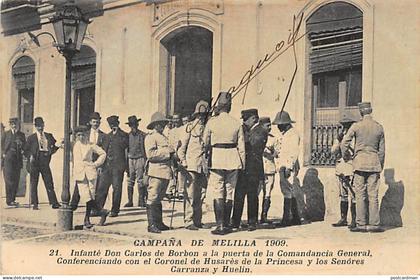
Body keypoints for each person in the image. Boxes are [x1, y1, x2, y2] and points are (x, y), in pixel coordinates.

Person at [203, 92, 245, 235]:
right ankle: (226, 224)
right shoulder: (236, 123)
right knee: (230, 191)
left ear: (218, 107)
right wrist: (242, 163)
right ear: (230, 107)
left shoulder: (212, 122)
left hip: (217, 158)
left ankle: (220, 225)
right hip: (233, 158)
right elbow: (241, 146)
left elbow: (205, 143)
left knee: (218, 190)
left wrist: (205, 159)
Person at [342, 102, 385, 233]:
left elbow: (344, 143)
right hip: (374, 164)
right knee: (373, 195)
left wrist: (346, 157)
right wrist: (380, 165)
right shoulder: (379, 127)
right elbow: (382, 151)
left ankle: (361, 224)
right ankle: (374, 225)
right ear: (370, 111)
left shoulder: (356, 126)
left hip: (359, 163)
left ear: (361, 112)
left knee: (360, 194)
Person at [231, 109, 268, 231]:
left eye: (246, 120)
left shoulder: (260, 130)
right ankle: (235, 221)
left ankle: (252, 222)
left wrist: (242, 137)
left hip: (254, 168)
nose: (244, 123)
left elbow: (253, 145)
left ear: (253, 119)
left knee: (252, 195)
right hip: (243, 167)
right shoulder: (245, 130)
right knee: (239, 195)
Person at [178, 100, 210, 230]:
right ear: (195, 115)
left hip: (203, 166)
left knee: (201, 194)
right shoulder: (189, 128)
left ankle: (198, 220)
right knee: (190, 193)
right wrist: (183, 162)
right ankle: (188, 220)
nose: (201, 118)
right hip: (191, 165)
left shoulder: (207, 128)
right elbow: (181, 148)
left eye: (204, 116)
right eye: (199, 115)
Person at [144, 112, 177, 233]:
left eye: (164, 123)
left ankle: (159, 223)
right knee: (152, 197)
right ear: (154, 125)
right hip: (156, 171)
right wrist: (168, 154)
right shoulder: (151, 137)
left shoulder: (163, 137)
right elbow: (151, 155)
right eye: (160, 124)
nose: (162, 126)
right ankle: (151, 224)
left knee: (159, 198)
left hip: (165, 171)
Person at [71, 125, 109, 228]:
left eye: (83, 135)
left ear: (86, 135)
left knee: (91, 195)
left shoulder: (90, 145)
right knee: (86, 197)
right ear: (76, 136)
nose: (81, 137)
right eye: (79, 135)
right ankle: (102, 211)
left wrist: (96, 164)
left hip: (90, 173)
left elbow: (103, 154)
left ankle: (86, 219)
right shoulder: (75, 145)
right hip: (80, 174)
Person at [70, 112, 107, 211]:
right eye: (94, 122)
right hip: (80, 171)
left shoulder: (102, 136)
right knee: (84, 193)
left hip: (91, 168)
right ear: (90, 122)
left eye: (97, 122)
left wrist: (96, 164)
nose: (96, 124)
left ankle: (93, 213)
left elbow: (103, 152)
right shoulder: (79, 141)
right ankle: (74, 205)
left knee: (91, 193)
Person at [24, 117, 61, 210]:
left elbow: (54, 146)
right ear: (35, 126)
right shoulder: (31, 138)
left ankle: (54, 203)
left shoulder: (49, 136)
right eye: (38, 126)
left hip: (44, 160)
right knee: (34, 183)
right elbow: (25, 151)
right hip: (35, 161)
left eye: (41, 125)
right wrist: (30, 156)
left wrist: (51, 151)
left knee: (49, 182)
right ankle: (34, 203)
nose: (40, 128)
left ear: (44, 124)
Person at [95, 115, 129, 217]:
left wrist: (117, 132)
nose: (112, 126)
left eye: (114, 124)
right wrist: (101, 165)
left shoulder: (124, 135)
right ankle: (98, 209)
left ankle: (115, 210)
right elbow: (102, 152)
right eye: (111, 125)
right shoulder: (106, 136)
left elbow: (126, 148)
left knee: (117, 188)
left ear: (118, 124)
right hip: (106, 166)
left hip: (118, 167)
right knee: (102, 187)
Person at [272, 111, 300, 227]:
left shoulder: (293, 134)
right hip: (282, 165)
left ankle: (286, 219)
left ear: (286, 124)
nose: (278, 127)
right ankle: (295, 217)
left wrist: (288, 167)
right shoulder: (284, 134)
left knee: (287, 191)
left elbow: (294, 152)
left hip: (287, 166)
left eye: (280, 124)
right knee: (289, 191)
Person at [331, 115, 357, 228]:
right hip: (341, 168)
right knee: (343, 194)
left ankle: (355, 220)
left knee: (354, 194)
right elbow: (333, 151)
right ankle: (343, 218)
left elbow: (352, 152)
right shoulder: (340, 137)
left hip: (351, 167)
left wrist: (345, 144)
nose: (345, 128)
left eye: (348, 125)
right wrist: (338, 141)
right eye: (344, 126)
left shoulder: (355, 137)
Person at [1, 117, 26, 207]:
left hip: (17, 160)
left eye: (15, 124)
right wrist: (3, 154)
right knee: (9, 180)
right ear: (10, 125)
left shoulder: (21, 135)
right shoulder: (5, 134)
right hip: (8, 159)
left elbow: (25, 147)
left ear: (18, 124)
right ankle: (9, 200)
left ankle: (13, 199)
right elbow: (1, 146)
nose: (14, 126)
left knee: (16, 180)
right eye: (12, 124)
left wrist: (23, 149)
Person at [124, 115, 148, 208]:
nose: (133, 127)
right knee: (130, 180)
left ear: (137, 124)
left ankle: (141, 200)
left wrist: (145, 160)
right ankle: (130, 201)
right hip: (130, 159)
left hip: (140, 158)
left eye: (134, 124)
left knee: (141, 180)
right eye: (131, 125)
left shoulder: (143, 135)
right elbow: (126, 149)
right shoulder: (127, 136)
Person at [258, 117, 276, 224]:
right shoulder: (256, 136)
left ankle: (264, 216)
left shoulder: (273, 138)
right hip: (259, 169)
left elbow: (277, 153)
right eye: (267, 125)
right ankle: (253, 217)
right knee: (256, 192)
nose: (269, 127)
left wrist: (269, 152)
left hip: (269, 168)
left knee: (267, 193)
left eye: (270, 125)